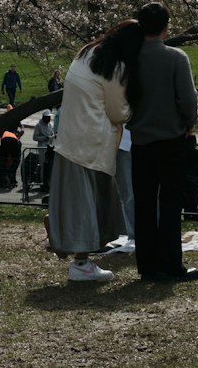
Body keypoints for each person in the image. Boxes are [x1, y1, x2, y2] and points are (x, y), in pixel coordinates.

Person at [47, 19, 141, 283]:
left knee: (77, 200)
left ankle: (58, 234)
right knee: (89, 204)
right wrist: (135, 105)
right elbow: (118, 112)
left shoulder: (87, 52)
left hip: (70, 137)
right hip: (94, 143)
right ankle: (80, 262)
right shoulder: (115, 68)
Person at [128, 2, 198, 284]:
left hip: (141, 141)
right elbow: (188, 99)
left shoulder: (130, 58)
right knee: (170, 204)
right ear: (166, 26)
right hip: (172, 140)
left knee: (144, 204)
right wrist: (190, 122)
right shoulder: (175, 57)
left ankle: (147, 264)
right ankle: (171, 263)